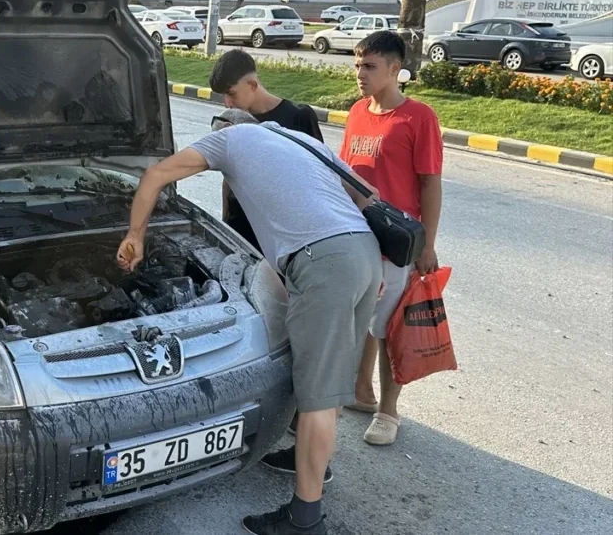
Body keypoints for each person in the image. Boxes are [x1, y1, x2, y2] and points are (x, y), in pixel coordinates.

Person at [116, 113, 383, 535]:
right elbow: (369, 195)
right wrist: (365, 267)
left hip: (322, 264)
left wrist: (135, 235)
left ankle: (305, 519)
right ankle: (314, 464)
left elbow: (155, 176)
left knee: (315, 396)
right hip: (362, 253)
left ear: (224, 128)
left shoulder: (230, 140)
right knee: (329, 381)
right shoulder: (298, 140)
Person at [340, 30, 444, 446]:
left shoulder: (418, 118)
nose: (360, 74)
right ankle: (361, 392)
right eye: (357, 65)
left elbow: (430, 186)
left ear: (395, 70)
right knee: (362, 317)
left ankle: (388, 410)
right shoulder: (356, 113)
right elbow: (345, 173)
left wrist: (428, 245)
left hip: (397, 241)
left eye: (369, 66)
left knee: (388, 326)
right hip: (355, 235)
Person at [209, 49, 324, 251]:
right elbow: (228, 177)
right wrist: (225, 221)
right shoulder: (230, 122)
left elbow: (318, 175)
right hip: (241, 227)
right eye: (224, 96)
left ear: (252, 85)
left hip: (283, 232)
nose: (228, 103)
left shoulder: (298, 117)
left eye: (231, 93)